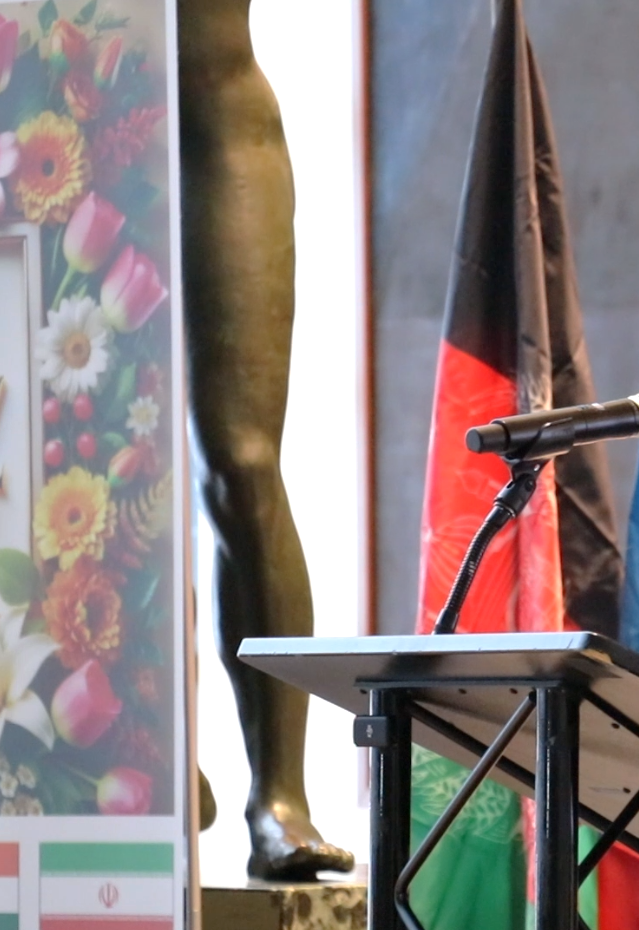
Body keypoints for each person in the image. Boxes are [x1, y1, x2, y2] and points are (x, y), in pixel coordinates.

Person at [179, 0, 353, 880]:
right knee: (65, 462)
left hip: (210, 126)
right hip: (51, 135)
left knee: (242, 469)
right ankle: (146, 749)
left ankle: (278, 792)